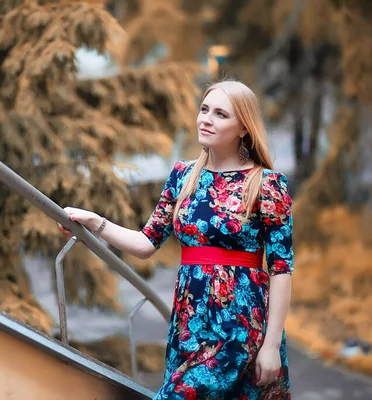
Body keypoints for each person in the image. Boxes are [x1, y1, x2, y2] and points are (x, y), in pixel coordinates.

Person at [59, 79, 293, 400]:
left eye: (221, 114)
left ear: (243, 128)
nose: (206, 119)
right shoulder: (183, 176)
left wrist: (271, 345)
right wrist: (94, 223)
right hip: (189, 324)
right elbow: (145, 243)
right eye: (204, 109)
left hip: (238, 327)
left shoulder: (265, 184)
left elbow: (281, 269)